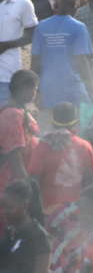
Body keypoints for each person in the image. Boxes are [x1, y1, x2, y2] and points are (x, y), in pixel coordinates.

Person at [27, 102, 93, 273]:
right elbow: (89, 183)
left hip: (49, 211)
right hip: (77, 212)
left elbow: (33, 182)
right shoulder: (84, 146)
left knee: (50, 256)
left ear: (52, 121)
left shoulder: (42, 146)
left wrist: (35, 213)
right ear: (75, 122)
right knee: (73, 257)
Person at [30, 0, 93, 109]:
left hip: (47, 87)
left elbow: (35, 59)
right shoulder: (79, 27)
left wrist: (34, 88)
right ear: (76, 4)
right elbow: (81, 60)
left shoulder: (41, 26)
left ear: (57, 3)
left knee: (50, 124)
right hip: (71, 87)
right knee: (79, 121)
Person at [0, 70, 39, 232]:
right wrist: (26, 186)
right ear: (25, 88)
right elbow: (14, 154)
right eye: (34, 89)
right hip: (11, 181)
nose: (35, 94)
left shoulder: (19, 109)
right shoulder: (11, 113)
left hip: (16, 180)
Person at [0, 178, 51, 273]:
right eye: (2, 207)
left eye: (9, 207)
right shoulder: (9, 229)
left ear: (24, 205)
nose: (4, 212)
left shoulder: (39, 237)